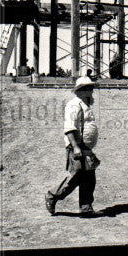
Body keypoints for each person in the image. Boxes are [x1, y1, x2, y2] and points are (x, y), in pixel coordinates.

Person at [45, 76, 100, 216]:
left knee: (89, 177)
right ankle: (52, 195)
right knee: (75, 176)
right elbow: (69, 128)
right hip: (77, 147)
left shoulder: (84, 105)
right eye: (89, 89)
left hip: (85, 148)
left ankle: (86, 208)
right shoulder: (74, 105)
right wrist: (75, 147)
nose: (92, 91)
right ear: (82, 90)